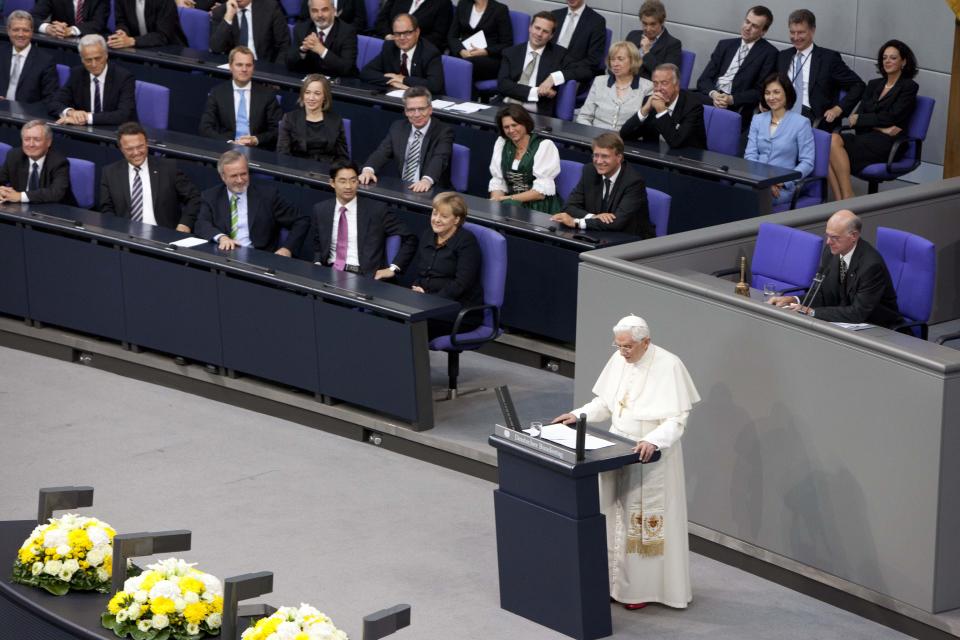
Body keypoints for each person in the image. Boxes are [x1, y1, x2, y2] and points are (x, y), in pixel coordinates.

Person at [552, 314, 700, 610]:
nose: (622, 352)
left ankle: (639, 590)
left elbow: (677, 418)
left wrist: (653, 440)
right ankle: (610, 582)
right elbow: (606, 403)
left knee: (639, 522)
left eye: (628, 347)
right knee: (612, 515)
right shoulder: (619, 359)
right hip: (615, 450)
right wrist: (578, 415)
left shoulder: (669, 365)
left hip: (650, 456)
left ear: (646, 342)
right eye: (618, 346)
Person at [768, 209, 901, 327]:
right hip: (845, 324)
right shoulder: (831, 252)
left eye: (835, 237)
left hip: (879, 329)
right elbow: (822, 294)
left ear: (853, 236)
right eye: (827, 235)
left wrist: (811, 311)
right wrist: (794, 300)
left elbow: (858, 313)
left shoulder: (871, 266)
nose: (828, 242)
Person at [827, 40, 919, 201]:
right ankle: (842, 199)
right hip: (868, 136)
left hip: (889, 143)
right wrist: (881, 127)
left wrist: (865, 120)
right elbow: (855, 119)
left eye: (893, 58)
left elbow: (892, 117)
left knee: (832, 144)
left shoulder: (909, 87)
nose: (887, 61)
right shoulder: (874, 84)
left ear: (903, 62)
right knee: (828, 142)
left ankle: (846, 198)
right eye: (885, 58)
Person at [308, 159, 418, 279]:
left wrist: (393, 268)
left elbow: (410, 238)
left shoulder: (376, 209)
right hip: (329, 272)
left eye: (353, 180)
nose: (348, 186)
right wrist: (317, 263)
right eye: (342, 181)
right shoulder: (321, 209)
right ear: (332, 183)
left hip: (363, 276)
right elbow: (319, 244)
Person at [194, 150, 308, 256]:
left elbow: (301, 220)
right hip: (224, 255)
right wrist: (222, 238)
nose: (240, 180)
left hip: (258, 258)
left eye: (243, 174)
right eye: (234, 176)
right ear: (223, 177)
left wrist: (287, 249)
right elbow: (201, 224)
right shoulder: (211, 196)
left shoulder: (267, 195)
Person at [100, 122, 201, 232]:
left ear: (146, 143)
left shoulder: (168, 168)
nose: (136, 152)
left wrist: (184, 224)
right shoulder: (110, 173)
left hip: (164, 235)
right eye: (129, 149)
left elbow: (194, 198)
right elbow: (106, 209)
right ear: (121, 149)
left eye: (140, 146)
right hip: (126, 237)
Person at [411, 191, 484, 339]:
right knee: (393, 316)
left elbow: (461, 284)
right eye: (434, 214)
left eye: (444, 216)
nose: (436, 220)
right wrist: (417, 289)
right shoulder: (427, 235)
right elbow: (421, 272)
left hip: (459, 310)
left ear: (456, 219)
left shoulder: (466, 242)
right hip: (427, 303)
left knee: (411, 324)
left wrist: (431, 301)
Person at [552, 133, 654, 238]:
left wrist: (577, 222)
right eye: (596, 155)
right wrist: (594, 217)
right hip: (599, 234)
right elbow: (569, 207)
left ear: (619, 157)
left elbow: (617, 222)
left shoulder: (634, 182)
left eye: (605, 156)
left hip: (630, 240)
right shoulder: (590, 171)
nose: (599, 161)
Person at [776, 9, 863, 131]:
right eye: (792, 32)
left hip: (812, 117)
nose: (796, 37)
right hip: (780, 111)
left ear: (812, 30)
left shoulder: (829, 59)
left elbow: (858, 85)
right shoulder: (783, 56)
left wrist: (838, 108)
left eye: (801, 32)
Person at [693, 5, 778, 129]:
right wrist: (714, 94)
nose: (747, 27)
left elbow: (760, 91)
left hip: (736, 105)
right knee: (681, 96)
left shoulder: (769, 53)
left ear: (763, 31)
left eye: (754, 26)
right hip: (711, 97)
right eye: (747, 21)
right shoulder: (725, 45)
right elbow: (703, 79)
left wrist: (731, 99)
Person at [359, 86, 454, 193]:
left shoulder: (443, 131)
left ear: (430, 109)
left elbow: (439, 159)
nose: (417, 114)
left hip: (432, 190)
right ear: (405, 111)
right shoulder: (398, 127)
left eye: (421, 109)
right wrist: (368, 170)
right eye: (411, 110)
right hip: (403, 188)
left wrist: (426, 180)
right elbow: (382, 152)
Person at [744, 72, 815, 207]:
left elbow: (807, 162)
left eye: (776, 92)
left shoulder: (801, 123)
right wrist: (763, 182)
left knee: (752, 200)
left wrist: (782, 181)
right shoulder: (758, 119)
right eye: (767, 93)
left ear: (787, 93)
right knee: (732, 192)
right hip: (756, 181)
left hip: (783, 187)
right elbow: (750, 155)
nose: (771, 97)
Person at [497, 11, 583, 116]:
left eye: (545, 31)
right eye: (537, 28)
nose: (539, 34)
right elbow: (503, 85)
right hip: (505, 106)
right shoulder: (511, 52)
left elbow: (584, 71)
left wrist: (553, 78)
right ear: (530, 28)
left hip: (536, 112)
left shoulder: (559, 54)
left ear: (551, 36)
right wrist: (536, 91)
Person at [199, 46, 283, 149]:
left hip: (257, 151)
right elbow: (205, 128)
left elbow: (278, 130)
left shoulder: (267, 95)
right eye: (239, 65)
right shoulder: (217, 93)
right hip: (226, 150)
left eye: (248, 65)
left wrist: (256, 140)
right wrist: (229, 143)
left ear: (253, 67)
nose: (244, 69)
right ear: (230, 66)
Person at [488, 103, 561, 213]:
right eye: (506, 127)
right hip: (512, 203)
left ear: (525, 124)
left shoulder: (544, 146)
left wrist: (506, 199)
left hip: (538, 206)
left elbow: (539, 194)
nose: (511, 130)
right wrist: (495, 202)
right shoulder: (502, 144)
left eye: (514, 125)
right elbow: (498, 181)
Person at [50, 35, 137, 126]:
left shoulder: (124, 77)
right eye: (88, 60)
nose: (94, 64)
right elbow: (54, 102)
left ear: (106, 55)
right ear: (82, 59)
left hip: (115, 130)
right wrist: (71, 112)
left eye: (98, 58)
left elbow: (123, 114)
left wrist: (86, 118)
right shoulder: (77, 74)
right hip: (85, 132)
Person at [619, 63, 706, 149]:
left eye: (664, 83)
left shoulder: (693, 106)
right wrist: (644, 110)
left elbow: (676, 142)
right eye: (655, 83)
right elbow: (624, 135)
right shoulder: (650, 101)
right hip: (655, 155)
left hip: (686, 158)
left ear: (677, 85)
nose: (658, 88)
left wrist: (661, 110)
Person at [359, 13, 445, 95]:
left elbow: (434, 86)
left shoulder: (430, 53)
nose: (402, 38)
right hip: (394, 99)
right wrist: (394, 81)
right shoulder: (390, 47)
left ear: (417, 32)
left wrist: (403, 80)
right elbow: (366, 72)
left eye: (407, 33)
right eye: (397, 33)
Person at [577, 41, 652, 130]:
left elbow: (645, 126)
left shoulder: (647, 87)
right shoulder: (599, 82)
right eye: (612, 59)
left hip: (626, 140)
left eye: (620, 59)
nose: (615, 64)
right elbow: (584, 117)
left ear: (633, 60)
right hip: (596, 138)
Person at [277, 75, 349, 164]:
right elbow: (283, 154)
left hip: (327, 172)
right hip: (297, 170)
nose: (311, 98)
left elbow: (343, 157)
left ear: (325, 97)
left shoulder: (336, 120)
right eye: (307, 92)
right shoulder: (290, 118)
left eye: (317, 93)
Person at [0, 120, 74, 205]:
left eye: (37, 139)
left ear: (48, 142)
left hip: (54, 210)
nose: (31, 144)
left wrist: (20, 196)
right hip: (20, 209)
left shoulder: (59, 162)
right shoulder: (14, 156)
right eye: (27, 139)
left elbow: (56, 193)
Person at [0, 11, 59, 106]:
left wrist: (27, 110)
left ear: (32, 32)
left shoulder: (46, 61)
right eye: (16, 30)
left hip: (28, 115)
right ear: (8, 31)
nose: (20, 34)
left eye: (25, 30)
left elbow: (50, 98)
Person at [286, 0, 358, 78]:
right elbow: (289, 63)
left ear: (334, 11)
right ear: (309, 12)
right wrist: (302, 50)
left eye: (324, 10)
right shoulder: (301, 29)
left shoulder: (348, 32)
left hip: (338, 84)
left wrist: (321, 50)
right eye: (314, 11)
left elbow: (346, 68)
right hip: (309, 82)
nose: (319, 15)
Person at [447, 0, 512, 82]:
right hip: (464, 53)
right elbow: (452, 36)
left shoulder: (500, 9)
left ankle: (468, 94)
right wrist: (461, 50)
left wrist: (485, 51)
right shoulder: (463, 4)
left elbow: (507, 44)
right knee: (448, 61)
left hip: (489, 57)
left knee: (464, 66)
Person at [209, 0, 290, 64]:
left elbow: (284, 43)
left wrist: (276, 73)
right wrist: (228, 18)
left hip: (263, 67)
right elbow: (216, 48)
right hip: (234, 69)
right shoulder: (221, 12)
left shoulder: (270, 7)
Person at [551, 0, 607, 87]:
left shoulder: (597, 21)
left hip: (574, 74)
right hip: (549, 68)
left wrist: (561, 70)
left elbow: (593, 60)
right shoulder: (555, 15)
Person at [625, 0, 681, 80]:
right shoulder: (633, 35)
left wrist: (647, 53)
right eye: (645, 24)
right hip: (623, 83)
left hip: (650, 88)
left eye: (653, 24)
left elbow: (666, 76)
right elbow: (619, 60)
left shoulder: (673, 45)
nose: (648, 29)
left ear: (662, 22)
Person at [374, 0, 451, 53]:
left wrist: (410, 42)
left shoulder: (443, 3)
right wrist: (388, 35)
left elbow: (438, 36)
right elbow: (381, 20)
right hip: (388, 43)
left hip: (418, 51)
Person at [107, 0, 187, 48]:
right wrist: (122, 32)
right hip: (139, 48)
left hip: (169, 50)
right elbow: (121, 21)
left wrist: (133, 41)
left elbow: (163, 36)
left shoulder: (165, 1)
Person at [31, 0, 109, 37]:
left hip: (92, 40)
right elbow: (31, 18)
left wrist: (71, 30)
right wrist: (48, 28)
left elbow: (98, 23)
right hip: (60, 43)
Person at [297, 0, 365, 30]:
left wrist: (343, 31)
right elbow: (303, 18)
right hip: (317, 35)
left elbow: (360, 21)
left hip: (343, 38)